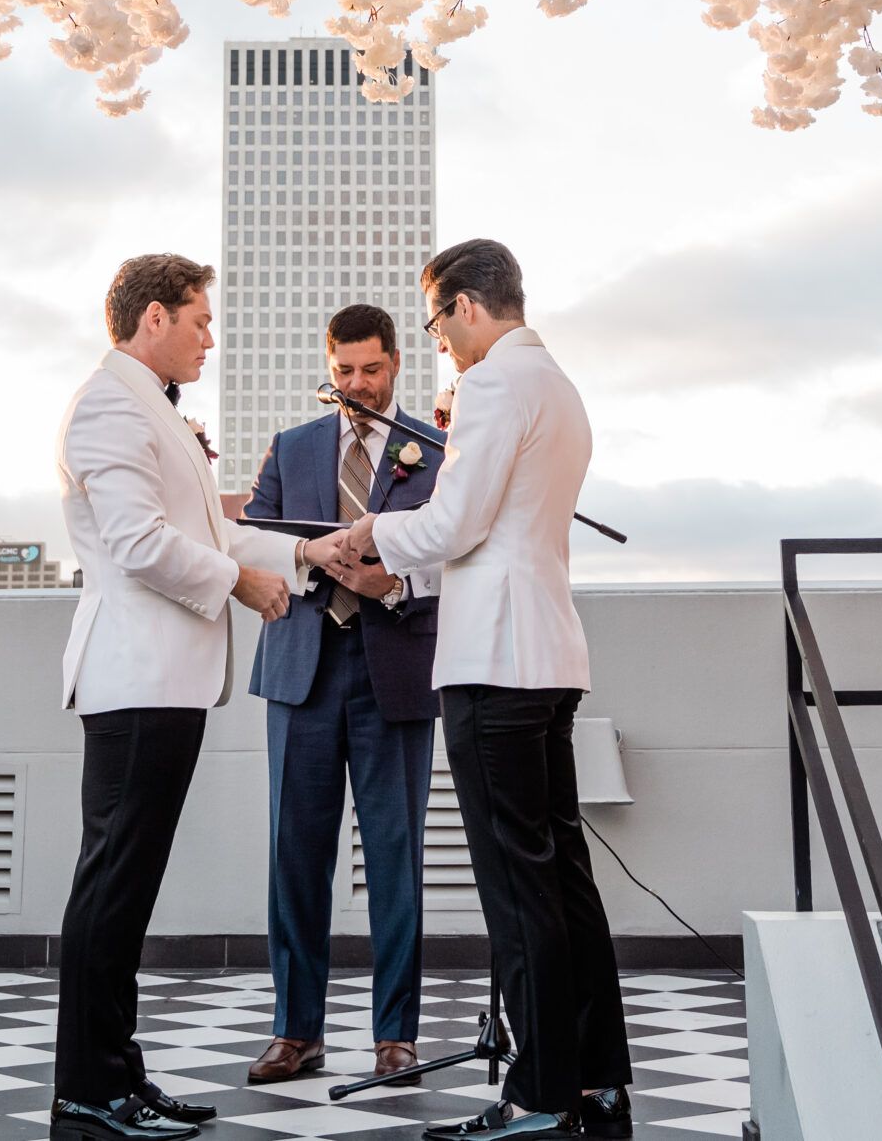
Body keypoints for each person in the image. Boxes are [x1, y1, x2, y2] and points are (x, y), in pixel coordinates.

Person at [316, 239, 631, 1141]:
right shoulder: (559, 385)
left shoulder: (495, 382)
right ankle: (597, 1077)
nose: (443, 343)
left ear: (460, 306)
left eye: (435, 321)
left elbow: (458, 520)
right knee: (564, 877)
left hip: (494, 661)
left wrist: (370, 531)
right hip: (550, 657)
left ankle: (536, 1096)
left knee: (516, 888)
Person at [50, 254, 298, 1141]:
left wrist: (307, 557)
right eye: (199, 319)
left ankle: (118, 1072)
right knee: (113, 887)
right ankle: (87, 1088)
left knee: (127, 887)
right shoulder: (112, 404)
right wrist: (242, 583)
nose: (210, 336)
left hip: (161, 681)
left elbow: (209, 526)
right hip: (136, 678)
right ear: (154, 316)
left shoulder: (148, 406)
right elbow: (140, 541)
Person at [241, 304, 446, 1087]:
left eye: (370, 369)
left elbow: (457, 548)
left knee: (397, 858)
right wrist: (305, 556)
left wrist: (394, 583)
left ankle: (397, 1034)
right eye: (343, 371)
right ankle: (296, 1031)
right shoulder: (292, 446)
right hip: (302, 670)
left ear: (395, 364)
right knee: (295, 855)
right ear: (329, 369)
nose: (357, 384)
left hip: (393, 667)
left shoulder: (433, 450)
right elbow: (253, 536)